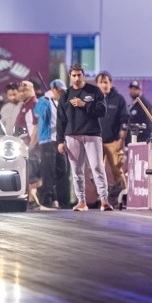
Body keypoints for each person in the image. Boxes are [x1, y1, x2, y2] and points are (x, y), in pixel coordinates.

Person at [56, 65, 109, 212]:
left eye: (79, 75)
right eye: (74, 75)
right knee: (76, 170)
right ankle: (81, 201)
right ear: (69, 76)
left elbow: (102, 111)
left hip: (92, 134)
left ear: (83, 75)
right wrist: (60, 141)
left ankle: (104, 200)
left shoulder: (94, 91)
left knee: (97, 167)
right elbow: (60, 120)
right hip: (72, 136)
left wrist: (84, 104)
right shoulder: (65, 95)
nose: (77, 78)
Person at [96, 72, 129, 197]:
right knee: (96, 171)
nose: (104, 85)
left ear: (111, 83)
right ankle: (102, 198)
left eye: (106, 82)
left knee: (117, 170)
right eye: (101, 82)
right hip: (97, 141)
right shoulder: (93, 99)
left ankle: (124, 196)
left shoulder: (118, 99)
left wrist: (121, 140)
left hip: (114, 141)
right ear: (97, 84)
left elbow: (125, 120)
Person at [35, 79, 67, 208]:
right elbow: (38, 112)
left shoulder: (61, 103)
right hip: (47, 140)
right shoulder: (45, 101)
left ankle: (44, 190)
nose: (62, 93)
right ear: (53, 89)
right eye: (60, 91)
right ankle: (47, 196)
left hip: (59, 140)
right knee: (48, 170)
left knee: (61, 170)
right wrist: (46, 98)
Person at [14, 80, 42, 208]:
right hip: (25, 146)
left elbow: (36, 127)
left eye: (25, 90)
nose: (21, 92)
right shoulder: (25, 105)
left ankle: (32, 201)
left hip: (33, 147)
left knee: (32, 176)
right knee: (29, 174)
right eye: (20, 90)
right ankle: (31, 200)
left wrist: (32, 146)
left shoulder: (34, 104)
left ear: (32, 90)